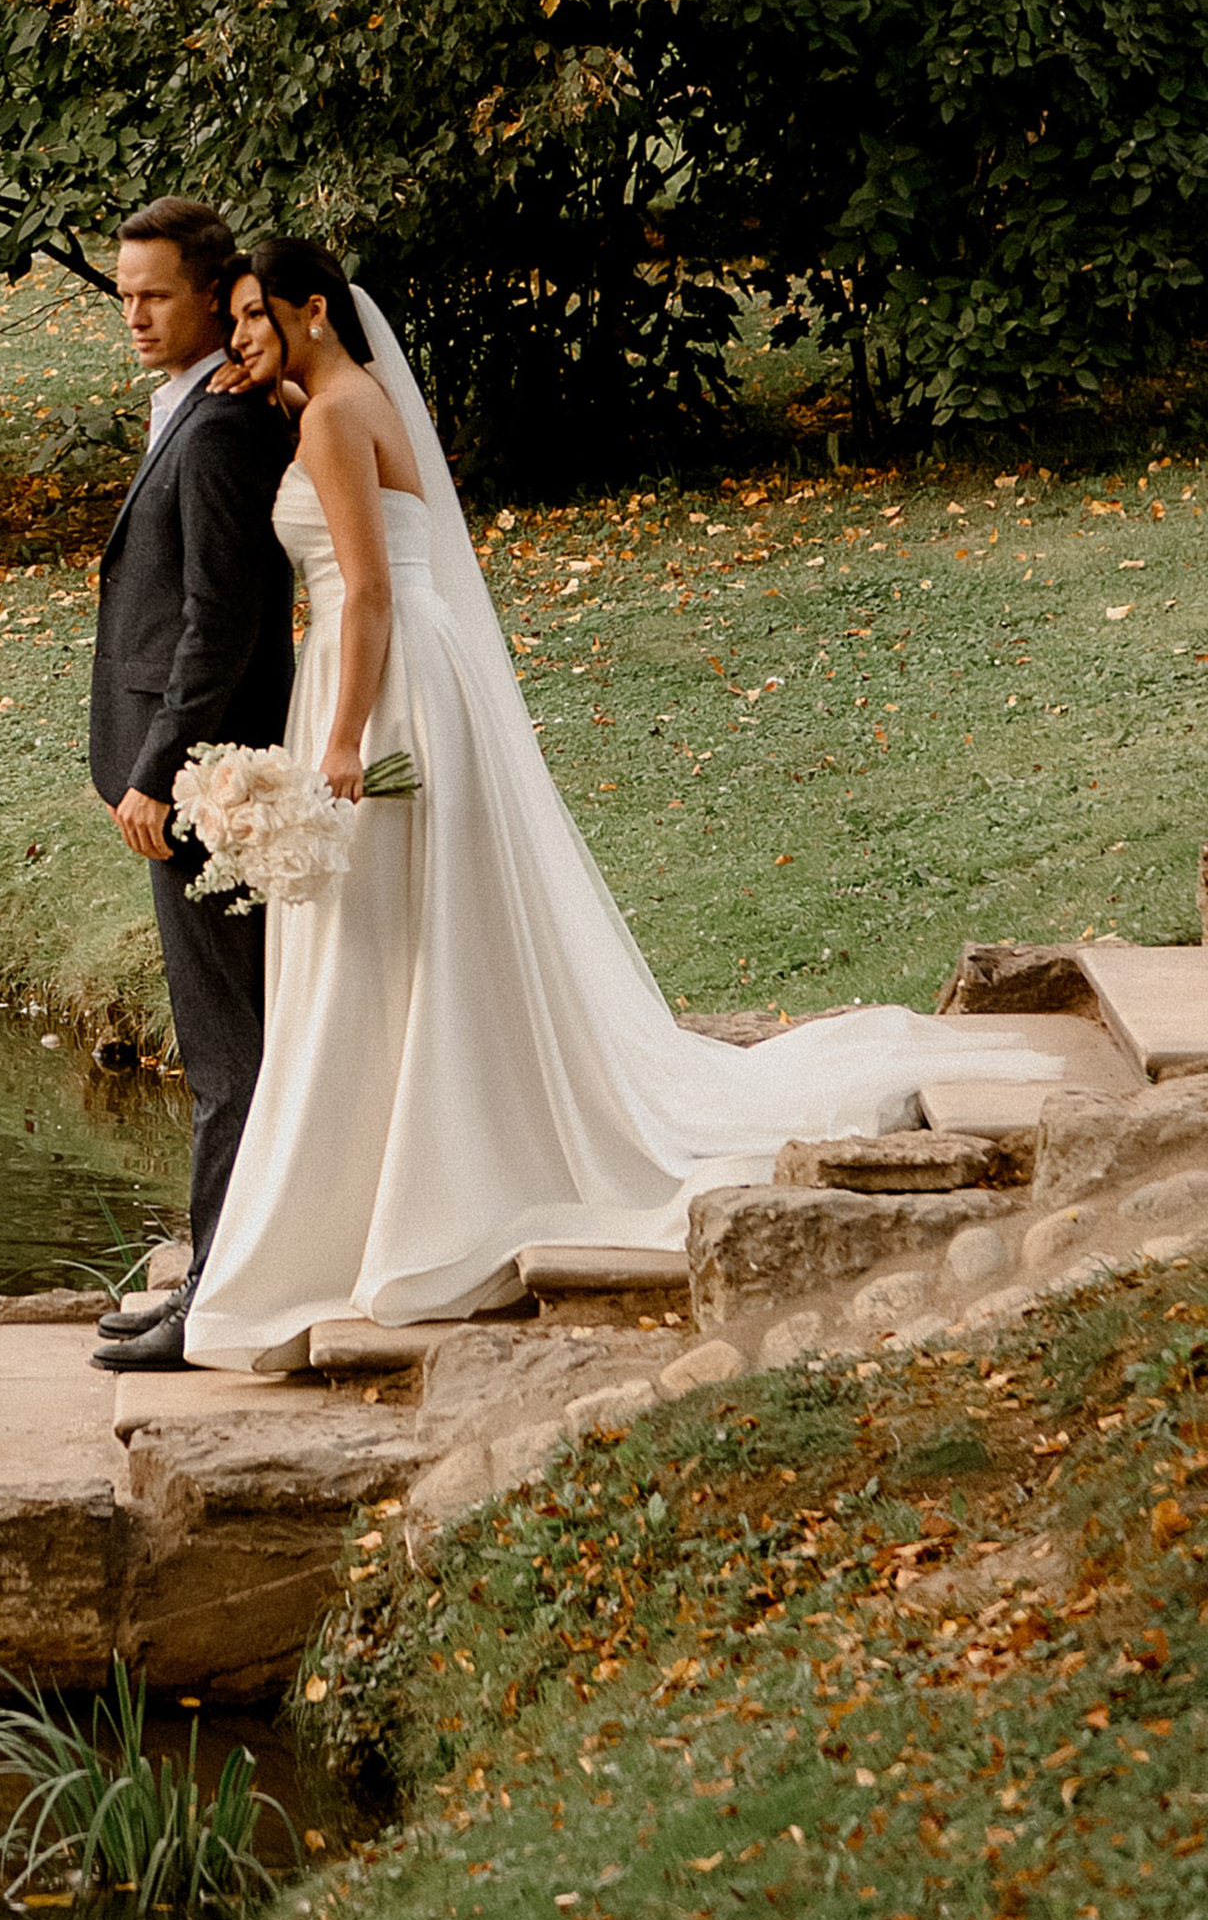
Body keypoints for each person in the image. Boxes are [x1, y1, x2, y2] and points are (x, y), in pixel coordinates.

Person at [181, 238, 1067, 1370]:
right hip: (417, 676)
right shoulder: (349, 399)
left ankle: (398, 1188)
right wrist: (279, 378)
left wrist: (343, 739)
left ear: (312, 309)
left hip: (380, 686)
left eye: (256, 317)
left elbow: (363, 593)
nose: (240, 336)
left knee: (386, 931)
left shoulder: (326, 421)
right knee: (413, 926)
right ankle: (408, 1159)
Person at [85, 196, 297, 1374]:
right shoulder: (207, 406)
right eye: (123, 292)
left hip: (207, 779)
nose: (134, 313)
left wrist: (159, 770)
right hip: (194, 768)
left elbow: (221, 625)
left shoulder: (218, 431)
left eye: (155, 293)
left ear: (214, 296)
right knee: (232, 1044)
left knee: (230, 1055)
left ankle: (216, 1299)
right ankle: (220, 1272)